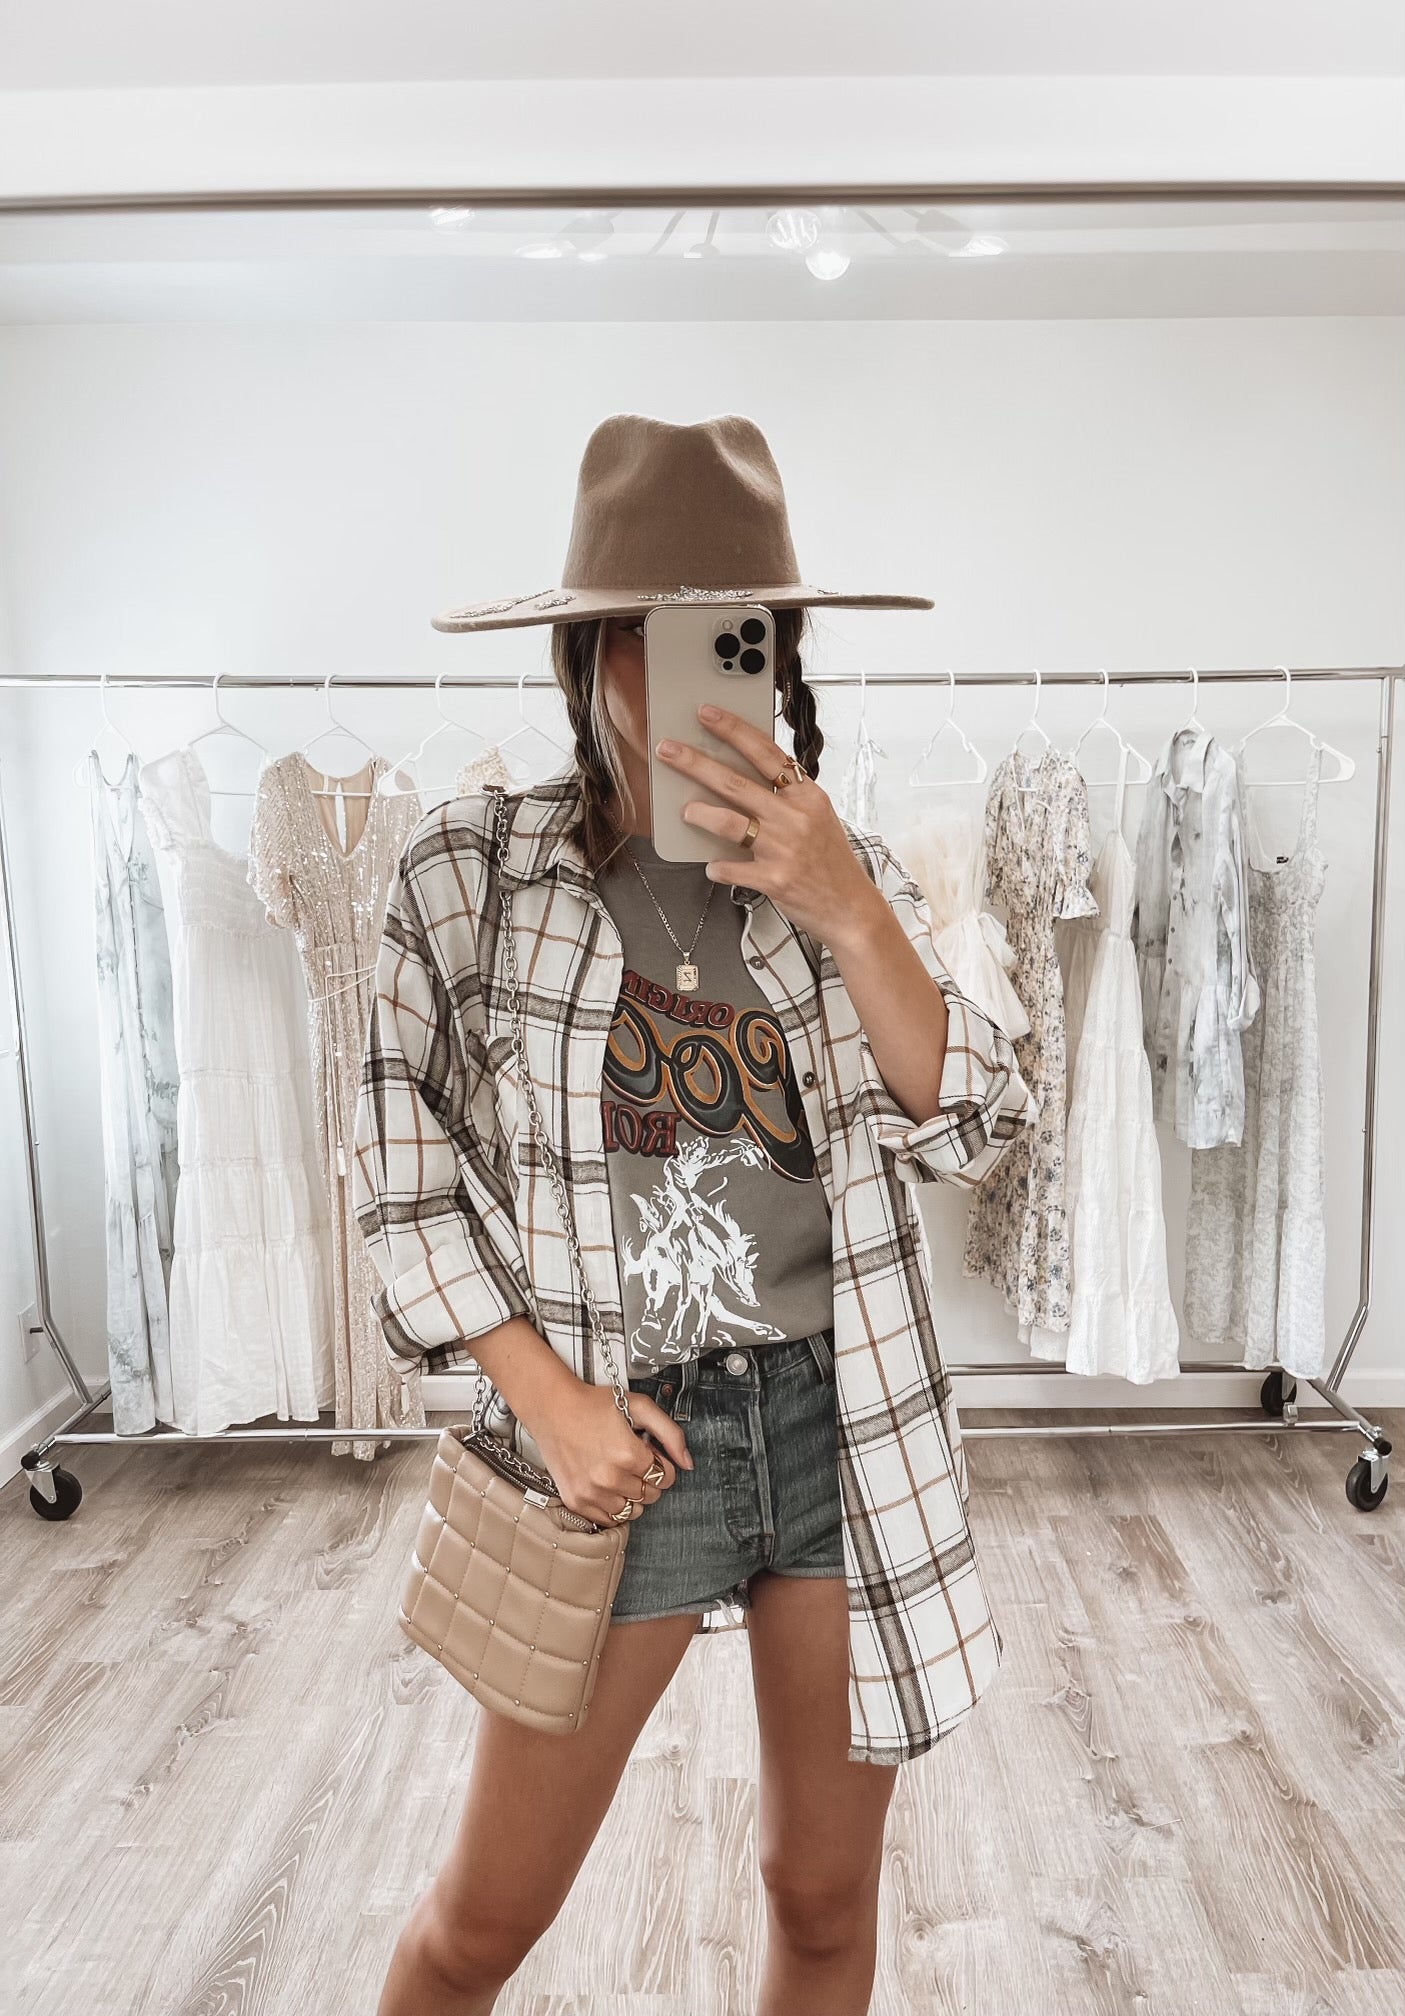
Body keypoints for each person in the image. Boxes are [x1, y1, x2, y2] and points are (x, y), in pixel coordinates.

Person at [352, 414, 1036, 2016]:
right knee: (479, 1927)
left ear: (777, 655)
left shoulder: (841, 876)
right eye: (641, 640)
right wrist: (548, 1402)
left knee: (819, 1902)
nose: (682, 685)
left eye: (732, 639)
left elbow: (983, 1126)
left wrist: (848, 910)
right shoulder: (469, 875)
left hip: (834, 1423)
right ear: (582, 654)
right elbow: (398, 1182)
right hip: (616, 1437)